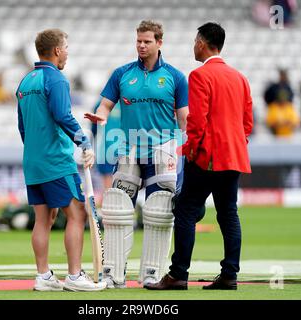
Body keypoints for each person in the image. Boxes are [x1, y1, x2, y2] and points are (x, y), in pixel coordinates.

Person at [145, 22, 253, 291]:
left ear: (203, 43)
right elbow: (247, 122)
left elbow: (197, 120)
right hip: (234, 156)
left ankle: (178, 274)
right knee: (228, 213)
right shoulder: (239, 77)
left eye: (195, 41)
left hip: (207, 155)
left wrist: (192, 150)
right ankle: (229, 274)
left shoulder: (200, 76)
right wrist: (235, 144)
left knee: (185, 208)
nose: (194, 45)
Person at [84, 20, 189, 288]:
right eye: (138, 41)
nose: (141, 46)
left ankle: (152, 272)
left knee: (159, 211)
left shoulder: (176, 77)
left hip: (162, 149)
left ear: (159, 43)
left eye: (147, 41)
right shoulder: (122, 74)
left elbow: (184, 118)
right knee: (117, 208)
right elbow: (106, 105)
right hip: (129, 147)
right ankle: (113, 274)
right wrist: (102, 116)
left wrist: (186, 148)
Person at [16, 28, 106, 292]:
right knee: (76, 213)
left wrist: (36, 149)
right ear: (56, 50)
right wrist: (83, 140)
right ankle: (75, 276)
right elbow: (61, 115)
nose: (67, 52)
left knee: (44, 218)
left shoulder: (25, 81)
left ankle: (43, 276)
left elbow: (22, 127)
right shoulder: (55, 79)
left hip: (32, 161)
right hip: (56, 160)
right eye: (66, 47)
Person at [91, 100, 121, 202]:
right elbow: (94, 129)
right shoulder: (100, 104)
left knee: (111, 193)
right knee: (111, 193)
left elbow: (93, 130)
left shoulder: (101, 103)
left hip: (120, 153)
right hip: (107, 153)